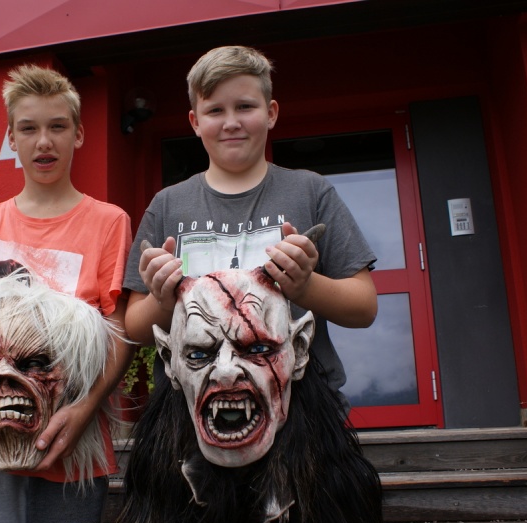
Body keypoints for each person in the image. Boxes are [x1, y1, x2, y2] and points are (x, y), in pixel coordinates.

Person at [123, 45, 378, 413]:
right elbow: (135, 327)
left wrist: (305, 286)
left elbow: (364, 307)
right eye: (215, 111)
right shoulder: (166, 205)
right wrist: (162, 301)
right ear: (195, 122)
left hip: (305, 415)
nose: (231, 122)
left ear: (271, 113)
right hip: (193, 416)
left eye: (245, 106)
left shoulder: (311, 191)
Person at [0, 64, 132, 523]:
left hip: (74, 446)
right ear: (11, 139)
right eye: (28, 129)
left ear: (78, 134)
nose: (44, 142)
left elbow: (120, 332)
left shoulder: (109, 222)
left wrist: (84, 410)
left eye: (57, 127)